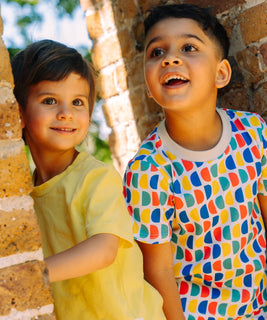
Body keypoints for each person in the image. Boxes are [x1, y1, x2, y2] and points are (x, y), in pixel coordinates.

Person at [123, 4, 267, 320]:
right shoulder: (147, 170)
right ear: (148, 82)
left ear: (220, 73)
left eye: (188, 47)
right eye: (156, 53)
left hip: (261, 310)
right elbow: (159, 268)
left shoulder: (250, 132)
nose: (170, 58)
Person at [11, 39, 165, 320]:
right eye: (49, 100)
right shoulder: (22, 198)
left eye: (78, 102)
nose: (65, 112)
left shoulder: (96, 177)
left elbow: (103, 249)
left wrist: (35, 274)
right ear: (19, 113)